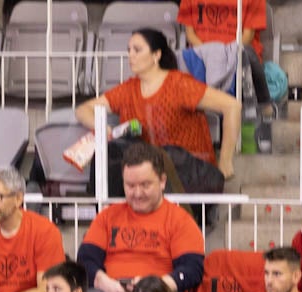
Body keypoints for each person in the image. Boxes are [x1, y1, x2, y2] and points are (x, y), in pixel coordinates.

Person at [78, 29, 239, 191]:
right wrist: (102, 128)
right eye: (129, 50)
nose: (131, 55)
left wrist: (225, 161)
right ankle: (107, 210)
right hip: (150, 176)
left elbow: (232, 106)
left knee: (166, 155)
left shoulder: (179, 84)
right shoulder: (128, 89)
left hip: (191, 174)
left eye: (137, 50)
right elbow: (84, 109)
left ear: (156, 55)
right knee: (112, 152)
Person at [78, 140, 208, 292]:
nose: (137, 193)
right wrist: (102, 281)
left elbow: (192, 269)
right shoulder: (107, 217)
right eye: (130, 186)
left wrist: (153, 287)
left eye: (145, 185)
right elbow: (85, 259)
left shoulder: (181, 221)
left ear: (162, 181)